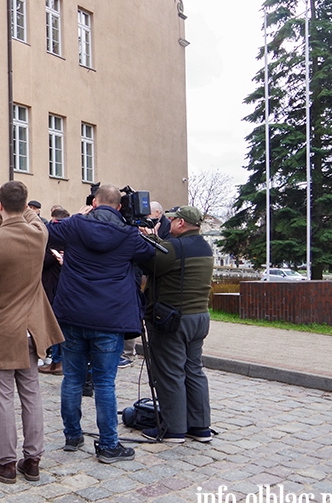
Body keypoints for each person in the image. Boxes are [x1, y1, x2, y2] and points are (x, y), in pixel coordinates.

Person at [0, 181, 62, 484]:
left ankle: (6, 462)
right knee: (31, 395)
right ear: (27, 205)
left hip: (2, 327)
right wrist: (24, 208)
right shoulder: (39, 234)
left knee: (3, 398)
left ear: (0, 206)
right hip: (32, 326)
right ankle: (32, 459)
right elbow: (32, 218)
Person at [47, 183, 155, 463]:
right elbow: (150, 255)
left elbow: (45, 233)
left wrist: (75, 218)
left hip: (72, 315)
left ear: (93, 203)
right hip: (109, 318)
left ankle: (72, 436)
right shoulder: (129, 234)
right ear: (119, 207)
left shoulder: (75, 226)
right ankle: (108, 445)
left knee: (72, 378)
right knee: (105, 383)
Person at [140, 206, 214, 444]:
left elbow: (149, 262)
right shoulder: (204, 246)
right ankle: (200, 427)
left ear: (181, 223)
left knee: (170, 373)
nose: (169, 223)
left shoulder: (175, 248)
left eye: (171, 220)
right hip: (200, 317)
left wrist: (147, 238)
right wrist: (156, 239)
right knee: (194, 371)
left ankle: (173, 429)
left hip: (173, 319)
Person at [39, 205, 70, 375]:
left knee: (56, 325)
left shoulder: (56, 245)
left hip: (55, 288)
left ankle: (58, 362)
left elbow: (41, 262)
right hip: (55, 287)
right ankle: (55, 361)